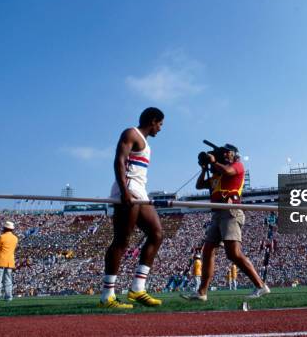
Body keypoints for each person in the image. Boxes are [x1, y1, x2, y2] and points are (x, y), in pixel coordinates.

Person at [182, 144, 269, 301]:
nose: (225, 155)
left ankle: (261, 285)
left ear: (234, 154)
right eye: (224, 154)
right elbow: (199, 185)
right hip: (217, 214)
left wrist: (214, 162)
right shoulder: (217, 175)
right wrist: (204, 169)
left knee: (233, 253)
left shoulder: (237, 165)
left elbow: (228, 171)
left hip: (230, 212)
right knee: (207, 250)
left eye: (227, 153)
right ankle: (202, 292)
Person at [99, 107, 165, 309]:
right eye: (160, 124)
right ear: (153, 121)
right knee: (121, 240)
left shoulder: (146, 144)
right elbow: (119, 161)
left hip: (140, 191)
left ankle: (137, 288)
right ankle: (107, 296)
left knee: (157, 234)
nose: (160, 129)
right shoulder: (131, 133)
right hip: (127, 189)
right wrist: (124, 191)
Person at [0, 221, 18, 304]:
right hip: (10, 261)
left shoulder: (1, 237)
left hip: (0, 261)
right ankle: (8, 297)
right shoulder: (15, 238)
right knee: (8, 280)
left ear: (4, 228)